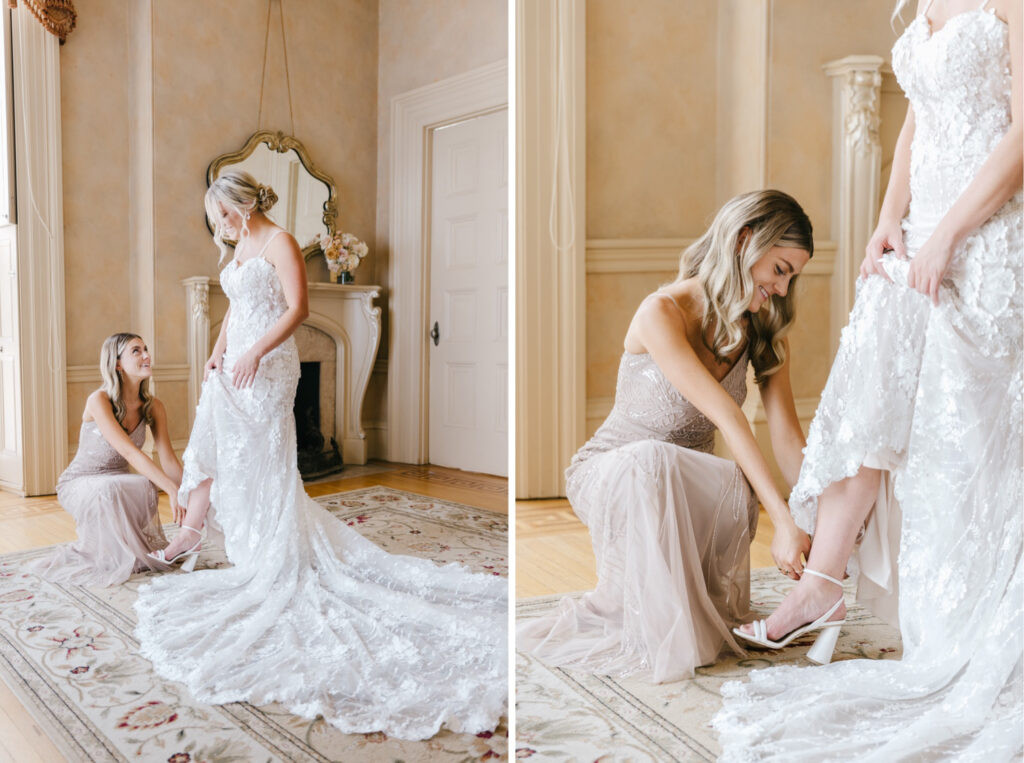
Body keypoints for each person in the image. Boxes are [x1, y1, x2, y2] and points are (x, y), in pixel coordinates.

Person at [718, 0, 1022, 757]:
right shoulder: (923, 5)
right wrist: (892, 217)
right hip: (921, 236)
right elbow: (918, 118)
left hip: (986, 238)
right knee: (865, 392)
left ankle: (961, 632)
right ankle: (821, 585)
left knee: (957, 452)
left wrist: (949, 230)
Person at [132, 171, 506, 741]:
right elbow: (232, 308)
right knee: (217, 440)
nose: (221, 227)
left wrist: (254, 352)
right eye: (216, 220)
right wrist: (216, 353)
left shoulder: (279, 241)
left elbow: (299, 309)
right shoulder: (237, 252)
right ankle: (194, 530)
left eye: (223, 216)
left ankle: (225, 538)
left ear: (241, 206)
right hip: (234, 363)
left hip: (270, 364)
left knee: (260, 455)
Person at [517, 190, 814, 683]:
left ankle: (679, 606)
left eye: (792, 276)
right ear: (744, 241)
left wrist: (813, 515)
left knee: (734, 486)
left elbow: (785, 434)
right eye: (779, 269)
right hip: (613, 473)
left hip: (684, 485)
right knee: (652, 461)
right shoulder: (661, 312)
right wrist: (780, 520)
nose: (783, 289)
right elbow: (728, 417)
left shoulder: (762, 330)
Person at [29, 333, 180, 587]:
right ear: (117, 364)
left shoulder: (154, 406)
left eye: (146, 349)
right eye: (136, 351)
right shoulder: (99, 400)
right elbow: (130, 452)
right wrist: (171, 489)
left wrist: (184, 493)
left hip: (116, 480)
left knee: (144, 484)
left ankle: (127, 553)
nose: (146, 355)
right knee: (111, 488)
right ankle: (111, 554)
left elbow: (168, 458)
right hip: (80, 481)